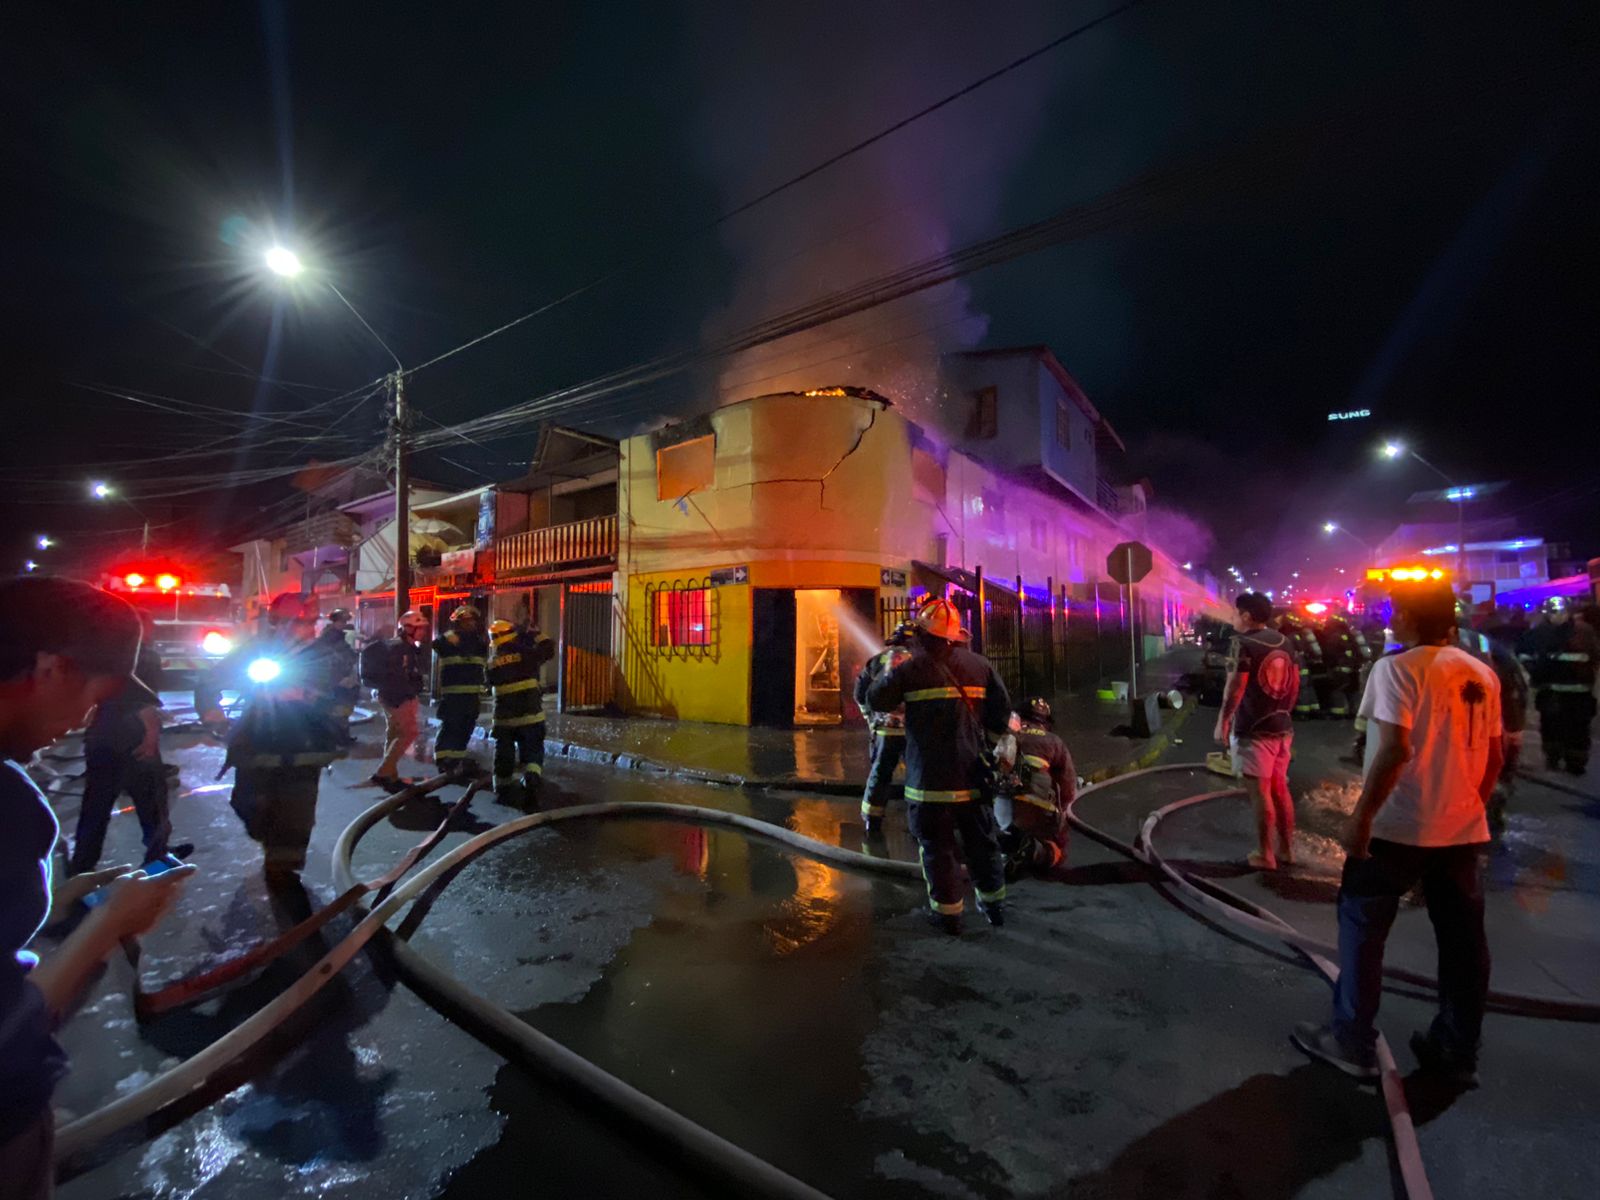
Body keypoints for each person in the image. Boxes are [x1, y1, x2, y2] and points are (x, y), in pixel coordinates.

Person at [1, 576, 193, 1194]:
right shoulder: (8, 806)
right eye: (94, 696)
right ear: (52, 667)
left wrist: (55, 897)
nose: (85, 720)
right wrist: (107, 923)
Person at [1293, 580, 1502, 1087]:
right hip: (1461, 832)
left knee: (1363, 930)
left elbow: (1393, 751)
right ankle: (1456, 1051)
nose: (1391, 619)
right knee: (1463, 943)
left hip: (1398, 830)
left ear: (1408, 616)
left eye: (1396, 611)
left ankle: (1352, 1040)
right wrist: (1467, 805)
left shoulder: (1395, 669)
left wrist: (1361, 818)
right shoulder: (1481, 673)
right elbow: (1495, 758)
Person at [866, 597, 1011, 934]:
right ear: (954, 635)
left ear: (922, 634)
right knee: (982, 845)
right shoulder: (980, 666)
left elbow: (876, 699)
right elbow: (1000, 717)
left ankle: (948, 916)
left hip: (927, 782)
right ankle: (994, 907)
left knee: (937, 849)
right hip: (973, 777)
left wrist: (890, 670)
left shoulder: (910, 669)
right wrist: (983, 746)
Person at [196, 592, 342, 883]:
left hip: (306, 746)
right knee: (247, 804)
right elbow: (211, 680)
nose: (303, 629)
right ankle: (267, 838)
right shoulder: (256, 650)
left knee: (297, 813)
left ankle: (284, 872)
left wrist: (318, 700)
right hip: (257, 742)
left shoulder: (324, 655)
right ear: (277, 623)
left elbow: (341, 694)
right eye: (296, 623)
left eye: (309, 623)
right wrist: (212, 712)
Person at [69, 619, 192, 874]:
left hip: (101, 737)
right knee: (152, 802)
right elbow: (143, 702)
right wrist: (150, 736)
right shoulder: (144, 658)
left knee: (96, 805)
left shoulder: (101, 658)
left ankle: (82, 865)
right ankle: (158, 856)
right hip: (132, 739)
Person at [1217, 592, 1300, 870]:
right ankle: (1287, 850)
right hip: (1282, 727)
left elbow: (1235, 687)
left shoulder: (1242, 644)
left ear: (1247, 616)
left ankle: (1265, 854)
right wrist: (1283, 712)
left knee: (1260, 792)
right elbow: (1295, 683)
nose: (1232, 618)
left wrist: (1223, 721)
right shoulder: (1284, 641)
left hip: (1253, 730)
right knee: (1279, 789)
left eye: (1235, 613)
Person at [994, 697, 1074, 877]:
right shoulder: (1054, 741)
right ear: (1046, 723)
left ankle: (1006, 844)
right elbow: (1068, 788)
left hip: (1001, 810)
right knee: (1057, 853)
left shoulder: (1006, 737)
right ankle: (1035, 851)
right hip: (1038, 814)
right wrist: (1063, 822)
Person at [1519, 597, 1598, 775]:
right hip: (1553, 691)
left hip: (1574, 692)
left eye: (1561, 612)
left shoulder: (1583, 632)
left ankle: (1575, 763)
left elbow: (1593, 656)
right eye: (1554, 612)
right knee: (1552, 727)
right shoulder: (1538, 633)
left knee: (1576, 729)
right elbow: (1523, 655)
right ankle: (1555, 759)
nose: (1558, 616)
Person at [853, 620, 916, 835]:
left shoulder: (877, 660)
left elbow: (860, 693)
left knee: (880, 774)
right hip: (914, 731)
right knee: (917, 775)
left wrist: (870, 719)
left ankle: (872, 822)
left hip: (884, 731)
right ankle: (917, 823)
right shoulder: (920, 661)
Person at [486, 618, 555, 810]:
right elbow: (548, 649)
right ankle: (531, 776)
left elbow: (489, 683)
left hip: (503, 718)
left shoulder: (491, 662)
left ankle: (501, 785)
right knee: (532, 747)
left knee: (504, 751)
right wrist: (534, 634)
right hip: (529, 715)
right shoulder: (526, 654)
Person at [362, 609, 429, 792]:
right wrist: (408, 693)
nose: (423, 632)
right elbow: (398, 676)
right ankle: (383, 773)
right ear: (407, 628)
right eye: (419, 628)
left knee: (395, 733)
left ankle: (390, 773)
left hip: (394, 695)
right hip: (397, 696)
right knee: (408, 732)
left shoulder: (404, 647)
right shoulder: (400, 649)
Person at [430, 604, 488, 780]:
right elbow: (436, 644)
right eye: (466, 621)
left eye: (472, 621)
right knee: (450, 726)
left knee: (466, 727)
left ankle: (457, 760)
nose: (470, 624)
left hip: (472, 694)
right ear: (458, 622)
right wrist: (450, 637)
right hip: (453, 695)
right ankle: (443, 760)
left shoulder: (478, 642)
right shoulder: (448, 639)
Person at [317, 608, 360, 745]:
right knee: (339, 709)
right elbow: (336, 657)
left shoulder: (335, 635)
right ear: (336, 621)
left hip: (339, 676)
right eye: (342, 621)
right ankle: (339, 738)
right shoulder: (331, 637)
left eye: (345, 621)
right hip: (336, 678)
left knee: (342, 709)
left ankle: (342, 736)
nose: (344, 623)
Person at [1275, 611, 1321, 720]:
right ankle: (1314, 709)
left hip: (1296, 666)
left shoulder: (1289, 636)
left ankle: (1303, 712)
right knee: (1308, 687)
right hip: (1304, 665)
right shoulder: (1299, 634)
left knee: (1300, 689)